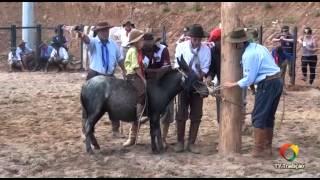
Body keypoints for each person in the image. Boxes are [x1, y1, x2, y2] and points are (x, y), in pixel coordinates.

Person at [223, 28, 283, 158]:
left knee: (258, 116)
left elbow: (249, 78)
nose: (233, 45)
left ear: (239, 43)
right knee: (268, 116)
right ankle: (266, 148)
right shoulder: (259, 47)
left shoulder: (248, 55)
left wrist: (233, 84)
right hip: (276, 80)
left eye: (234, 43)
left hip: (267, 83)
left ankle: (259, 150)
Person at [78, 21, 126, 138]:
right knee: (90, 105)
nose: (105, 32)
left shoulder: (114, 44)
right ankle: (86, 131)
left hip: (109, 76)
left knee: (116, 103)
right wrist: (82, 36)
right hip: (95, 75)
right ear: (98, 32)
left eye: (107, 30)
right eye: (103, 30)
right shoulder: (94, 42)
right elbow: (87, 40)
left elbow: (120, 59)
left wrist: (125, 70)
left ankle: (115, 130)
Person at [174, 24, 211, 154]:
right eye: (194, 38)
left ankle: (191, 143)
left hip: (197, 84)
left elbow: (206, 68)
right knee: (181, 113)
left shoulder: (206, 50)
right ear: (190, 37)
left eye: (198, 39)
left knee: (196, 114)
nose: (196, 41)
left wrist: (197, 76)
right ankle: (180, 142)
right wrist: (186, 75)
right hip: (183, 83)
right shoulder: (181, 47)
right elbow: (176, 64)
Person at [142, 32, 173, 149]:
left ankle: (163, 138)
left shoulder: (162, 49)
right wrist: (157, 71)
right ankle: (132, 136)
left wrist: (151, 71)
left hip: (162, 83)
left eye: (149, 41)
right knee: (137, 101)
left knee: (167, 108)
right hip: (144, 81)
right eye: (145, 41)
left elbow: (166, 68)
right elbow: (140, 70)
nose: (147, 43)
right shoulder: (139, 50)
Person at [123, 29, 146, 147]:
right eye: (141, 39)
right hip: (133, 75)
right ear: (136, 41)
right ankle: (139, 115)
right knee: (142, 91)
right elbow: (136, 67)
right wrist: (143, 79)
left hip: (135, 73)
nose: (143, 41)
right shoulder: (133, 51)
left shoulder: (137, 50)